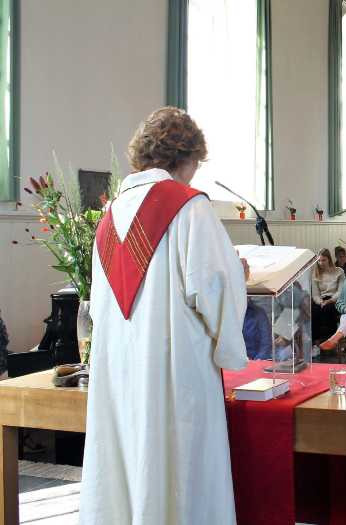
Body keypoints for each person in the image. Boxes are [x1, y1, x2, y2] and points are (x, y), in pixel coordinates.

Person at [80, 107, 249, 524]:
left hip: (121, 372)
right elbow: (215, 292)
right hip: (176, 375)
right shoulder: (189, 208)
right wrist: (237, 277)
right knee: (178, 470)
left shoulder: (110, 216)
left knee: (126, 468)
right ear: (187, 157)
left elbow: (100, 303)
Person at [311, 248, 345, 344]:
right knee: (314, 311)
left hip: (335, 299)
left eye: (324, 260)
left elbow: (341, 291)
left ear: (329, 259)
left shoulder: (339, 271)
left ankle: (329, 338)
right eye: (319, 261)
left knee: (328, 309)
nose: (321, 263)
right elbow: (315, 294)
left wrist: (330, 301)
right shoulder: (316, 274)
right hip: (321, 300)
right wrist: (321, 302)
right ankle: (316, 341)